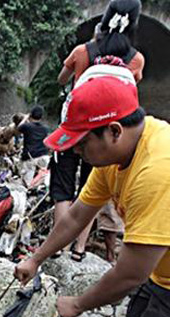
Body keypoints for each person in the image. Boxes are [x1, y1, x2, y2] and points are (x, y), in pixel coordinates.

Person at [14, 76, 170, 317]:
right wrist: (36, 258)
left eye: (81, 144)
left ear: (113, 130)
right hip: (160, 274)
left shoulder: (156, 170)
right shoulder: (115, 156)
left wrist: (77, 303)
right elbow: (75, 216)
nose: (78, 152)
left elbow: (129, 274)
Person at [52, 6, 145, 261]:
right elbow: (126, 95)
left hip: (74, 128)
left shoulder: (83, 51)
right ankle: (79, 249)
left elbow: (62, 79)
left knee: (63, 188)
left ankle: (58, 246)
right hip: (106, 138)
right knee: (91, 189)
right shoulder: (136, 59)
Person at [17, 105, 50, 186]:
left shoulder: (27, 126)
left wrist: (25, 118)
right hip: (44, 156)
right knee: (42, 181)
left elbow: (18, 128)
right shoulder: (45, 128)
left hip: (30, 157)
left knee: (27, 183)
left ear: (31, 115)